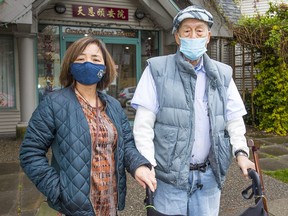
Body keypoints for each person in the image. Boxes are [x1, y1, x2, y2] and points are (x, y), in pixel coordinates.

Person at [131, 5, 255, 216]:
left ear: (208, 37)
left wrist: (241, 152)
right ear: (177, 37)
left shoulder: (223, 74)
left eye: (199, 30)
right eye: (187, 30)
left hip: (208, 176)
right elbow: (143, 125)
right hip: (168, 178)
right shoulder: (157, 69)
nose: (193, 35)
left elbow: (233, 119)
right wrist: (147, 163)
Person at [19, 36, 156, 216]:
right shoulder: (54, 103)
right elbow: (30, 152)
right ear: (70, 65)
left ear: (104, 67)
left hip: (110, 203)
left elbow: (126, 145)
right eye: (81, 59)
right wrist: (59, 192)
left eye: (95, 59)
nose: (88, 64)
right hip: (73, 208)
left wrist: (139, 166)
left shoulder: (113, 105)